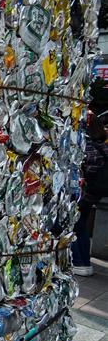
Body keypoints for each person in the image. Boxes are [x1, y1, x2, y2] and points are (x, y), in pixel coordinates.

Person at [73, 112, 108, 276]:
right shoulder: (103, 145)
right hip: (95, 193)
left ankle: (79, 262)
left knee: (74, 226)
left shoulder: (88, 145)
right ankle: (84, 262)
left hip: (84, 193)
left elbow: (87, 167)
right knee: (82, 226)